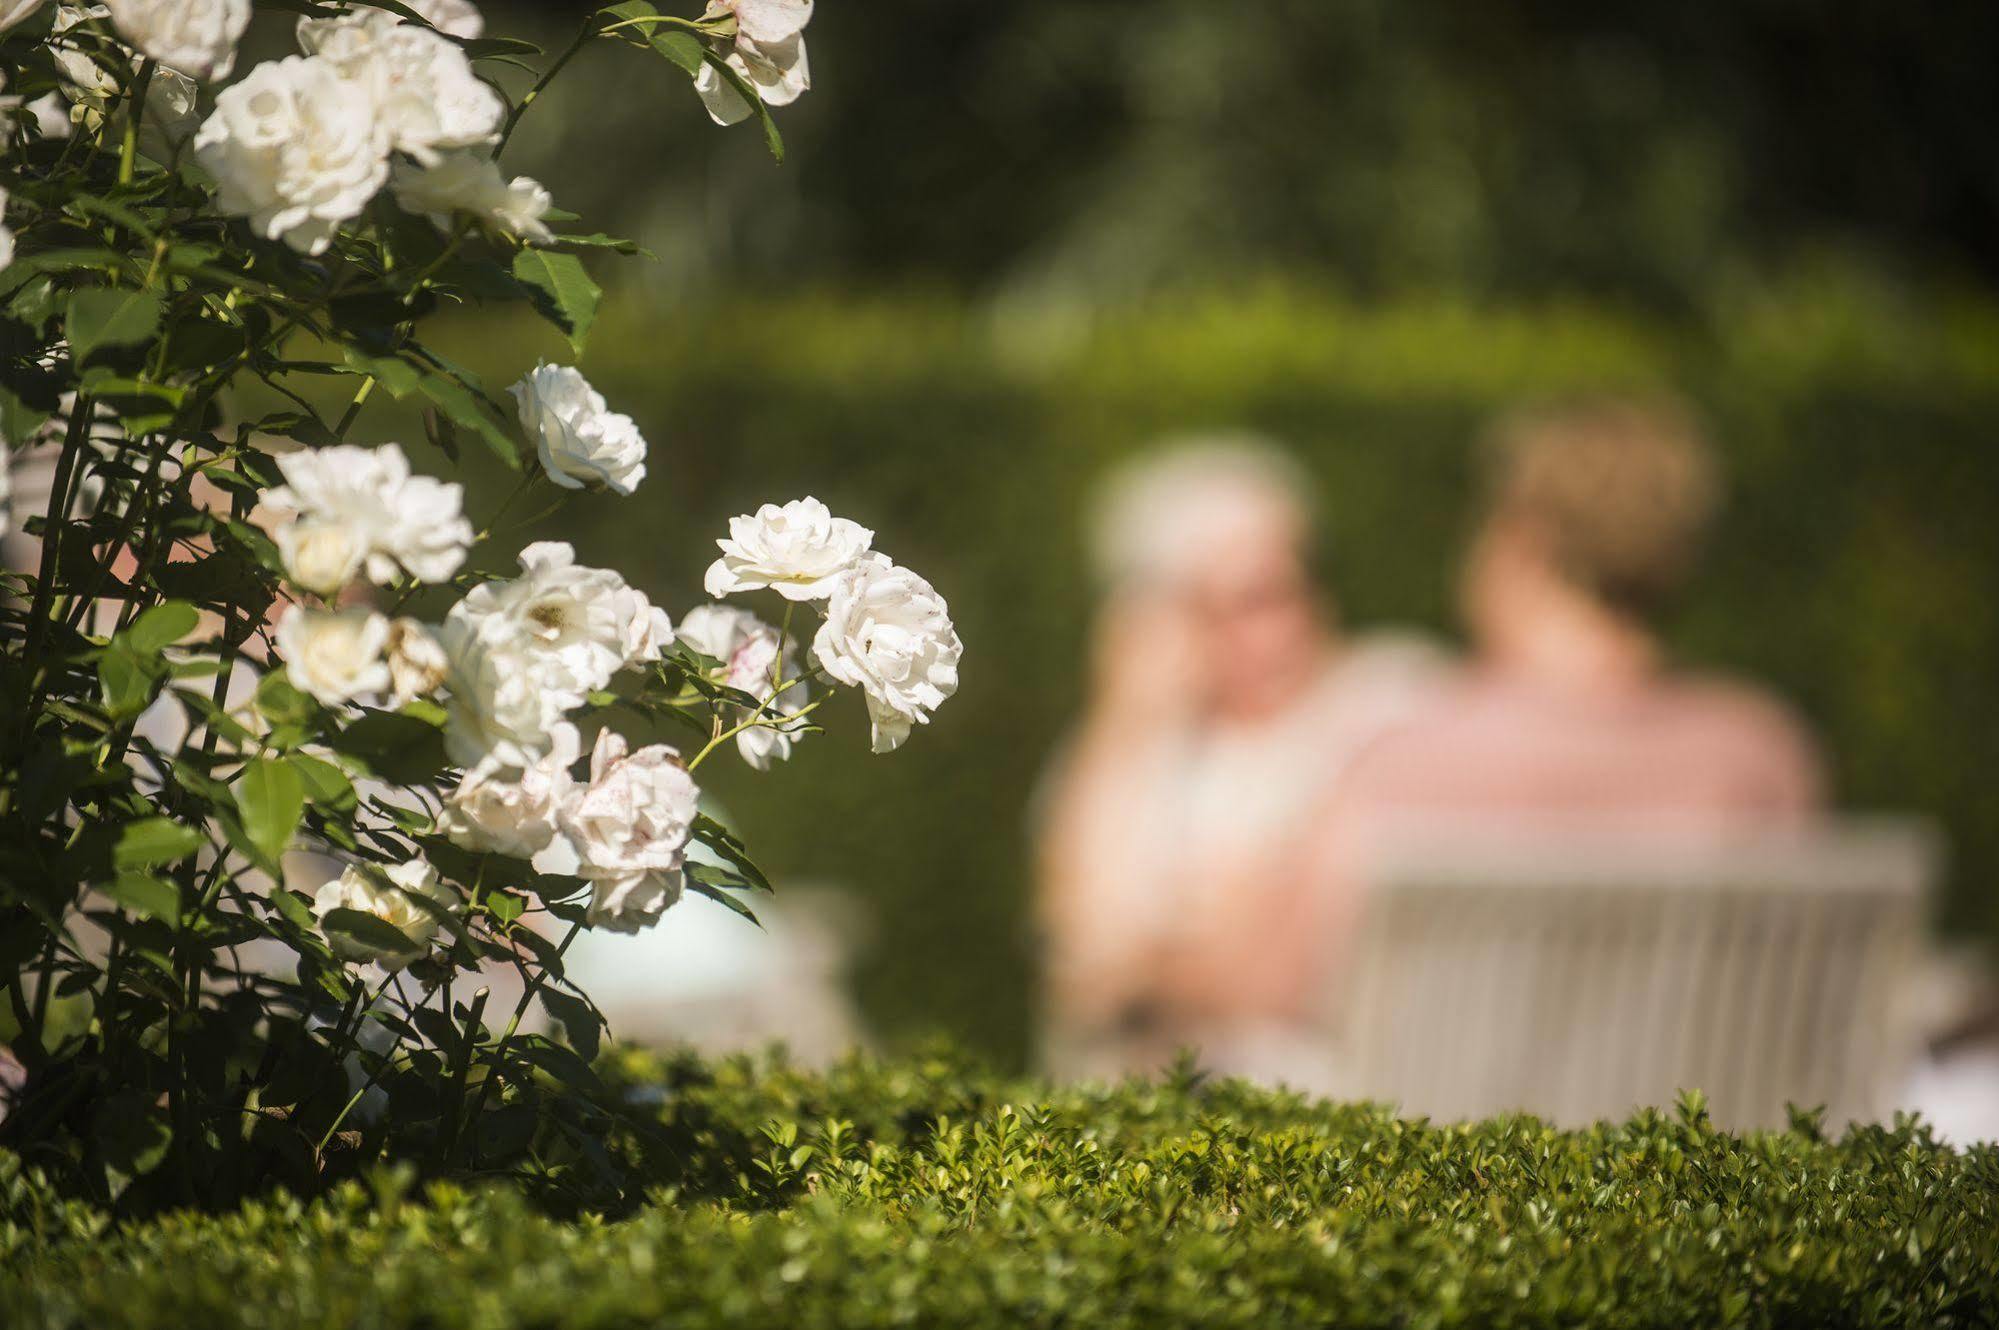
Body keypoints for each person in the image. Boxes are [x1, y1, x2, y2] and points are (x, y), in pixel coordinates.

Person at [1266, 396, 1829, 1015]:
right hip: (1685, 1113)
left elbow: (1283, 982)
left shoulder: (1414, 758)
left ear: (1521, 541)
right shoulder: (1760, 751)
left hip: (1461, 1112)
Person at [1035, 438, 1450, 1084]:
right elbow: (1082, 967)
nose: (1277, 632)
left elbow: (1328, 960)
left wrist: (1169, 969)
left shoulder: (1390, 698)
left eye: (1286, 589)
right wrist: (1124, 720)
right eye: (1235, 604)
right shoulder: (1141, 752)